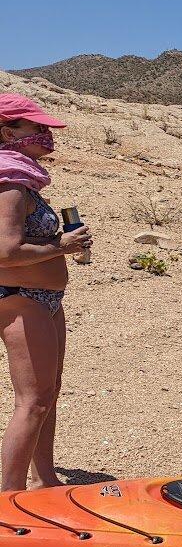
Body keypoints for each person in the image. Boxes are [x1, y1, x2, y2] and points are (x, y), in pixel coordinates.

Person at [0, 94, 93, 491]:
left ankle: (45, 480)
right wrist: (63, 247)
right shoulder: (10, 183)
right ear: (7, 132)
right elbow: (6, 250)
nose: (46, 134)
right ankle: (9, 499)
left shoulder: (25, 180)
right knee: (32, 401)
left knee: (47, 396)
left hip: (44, 299)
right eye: (35, 127)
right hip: (20, 297)